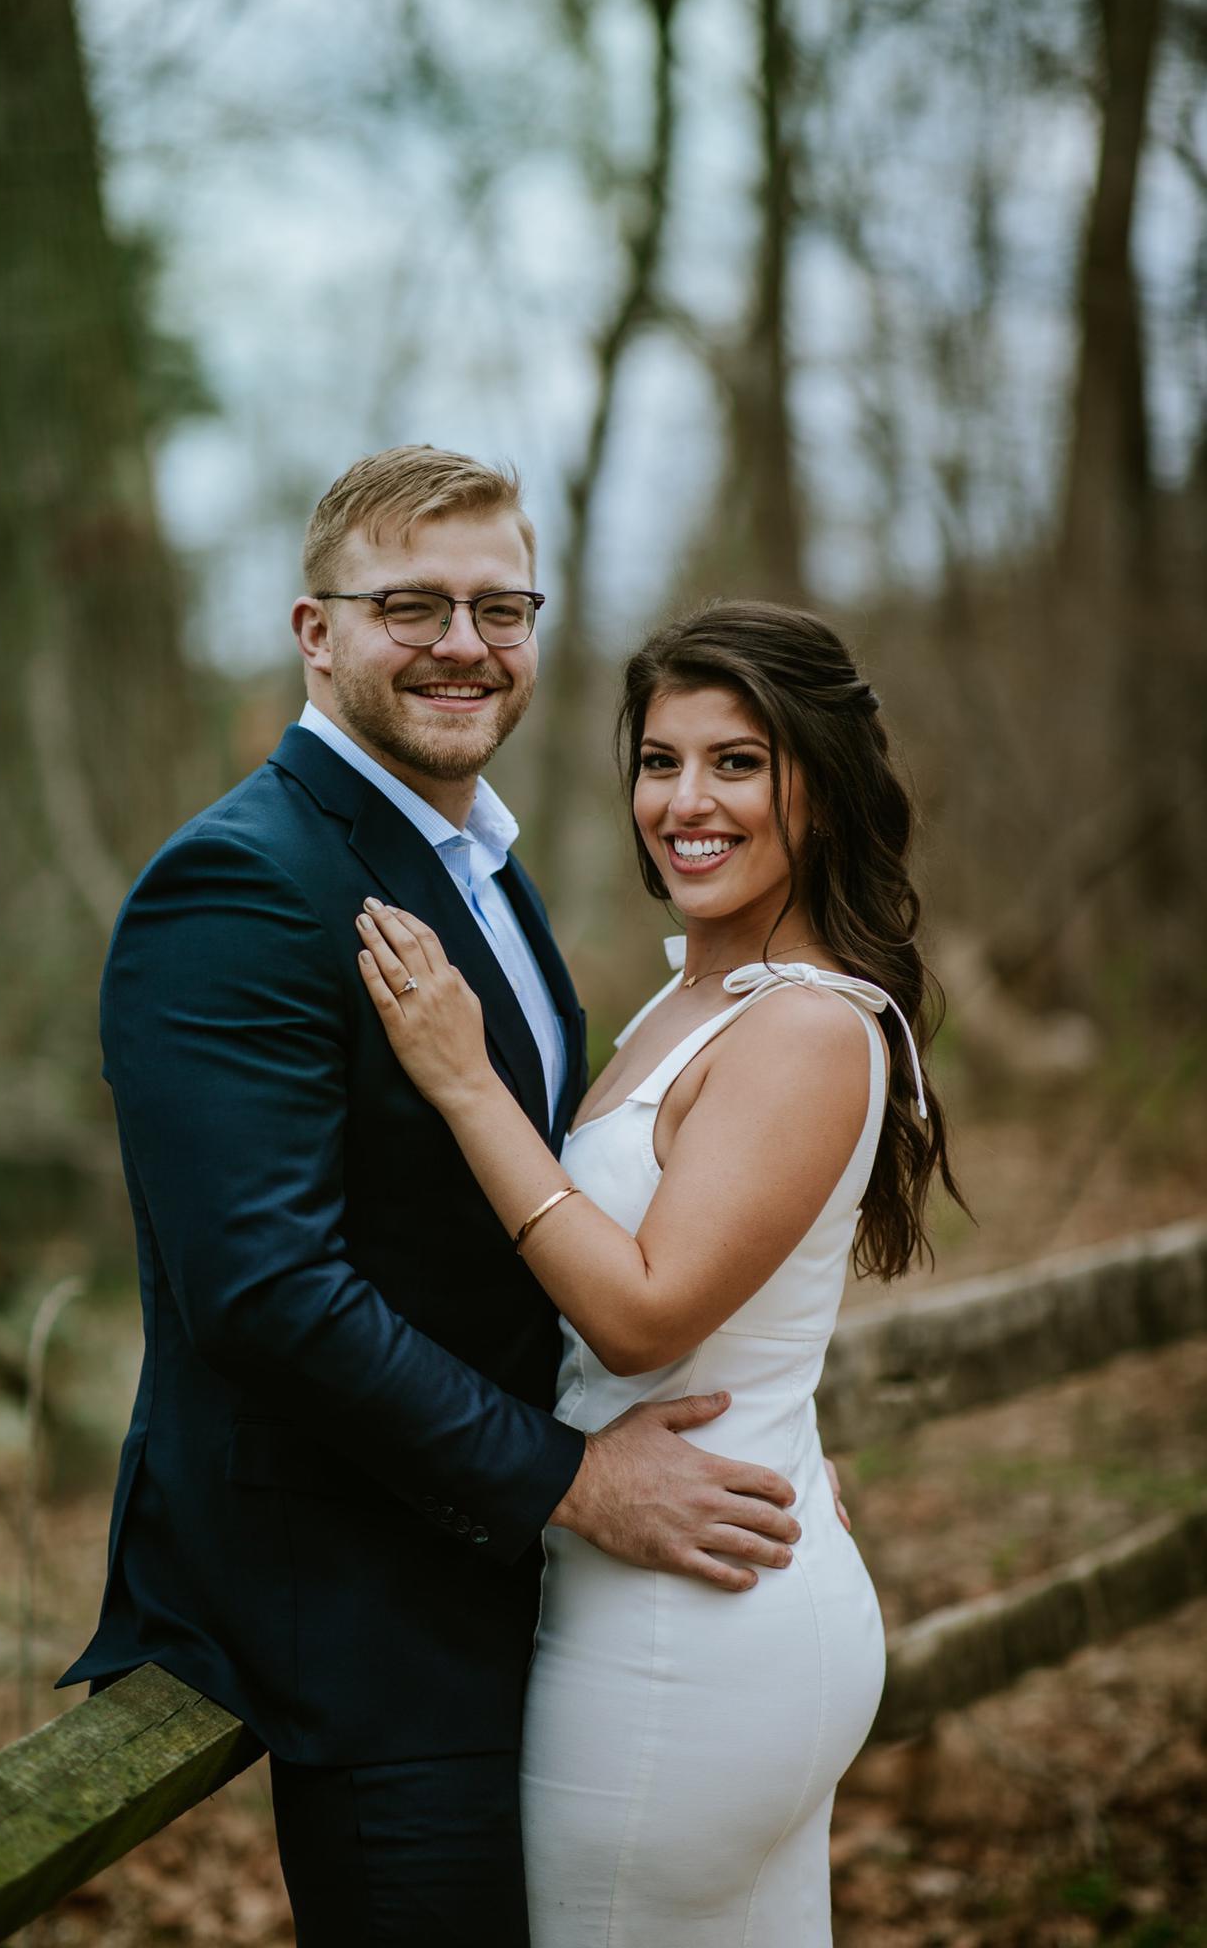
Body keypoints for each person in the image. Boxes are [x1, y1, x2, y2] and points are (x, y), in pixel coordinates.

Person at [58, 449, 820, 1947]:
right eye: (411, 604)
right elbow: (266, 1294)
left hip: (510, 1587)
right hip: (358, 1615)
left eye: (498, 606)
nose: (463, 644)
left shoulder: (477, 865)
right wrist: (571, 1478)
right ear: (313, 630)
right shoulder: (239, 886)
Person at [356, 598, 965, 1946]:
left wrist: (466, 1085)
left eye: (736, 762)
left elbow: (638, 1316)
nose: (685, 801)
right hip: (693, 1582)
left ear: (823, 780)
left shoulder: (805, 1025)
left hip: (686, 1637)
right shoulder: (685, 1000)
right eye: (658, 760)